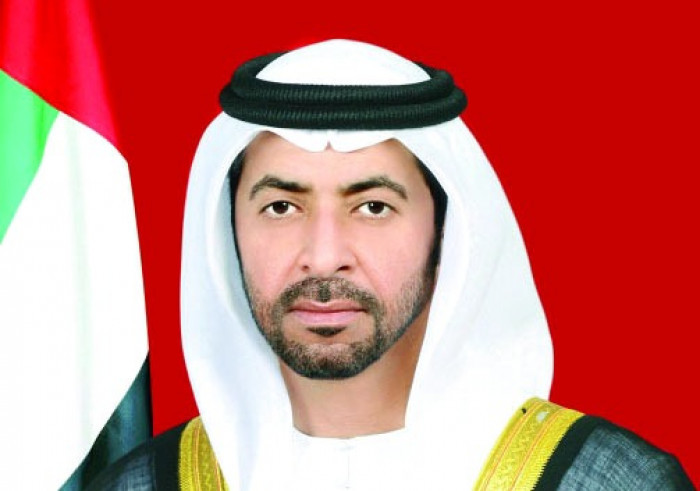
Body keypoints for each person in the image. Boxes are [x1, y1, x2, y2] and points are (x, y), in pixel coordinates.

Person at [89, 39, 693, 490]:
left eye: (373, 206)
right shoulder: (145, 486)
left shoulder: (602, 483)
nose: (325, 256)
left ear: (447, 231)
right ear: (228, 232)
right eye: (281, 207)